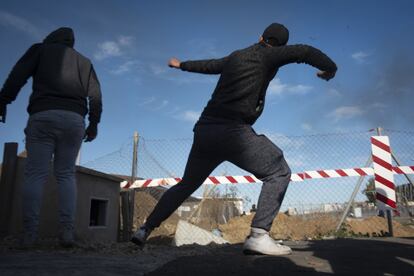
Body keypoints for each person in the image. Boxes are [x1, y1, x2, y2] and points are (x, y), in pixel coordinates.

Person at [131, 23, 337, 255]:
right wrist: (330, 69)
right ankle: (259, 235)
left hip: (205, 131)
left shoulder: (235, 56)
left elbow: (209, 65)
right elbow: (306, 52)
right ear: (280, 45)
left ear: (260, 36)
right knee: (278, 172)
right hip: (233, 132)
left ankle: (144, 229)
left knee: (187, 185)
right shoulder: (271, 54)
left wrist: (181, 65)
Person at [0, 27, 102, 247]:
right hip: (74, 120)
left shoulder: (40, 50)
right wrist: (93, 123)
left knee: (36, 174)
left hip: (43, 115)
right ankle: (66, 232)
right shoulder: (85, 62)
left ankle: (30, 234)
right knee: (66, 174)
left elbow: (18, 74)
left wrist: (4, 99)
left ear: (52, 37)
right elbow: (95, 95)